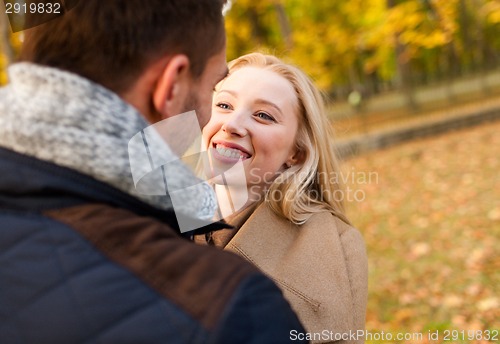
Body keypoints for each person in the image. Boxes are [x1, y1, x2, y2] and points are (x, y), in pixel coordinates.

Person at [0, 2, 306, 343]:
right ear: (170, 86)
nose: (226, 123)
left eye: (264, 115)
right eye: (216, 97)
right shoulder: (235, 314)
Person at [197, 53, 369, 343]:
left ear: (296, 153)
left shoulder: (337, 245)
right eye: (224, 105)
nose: (232, 124)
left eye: (263, 115)